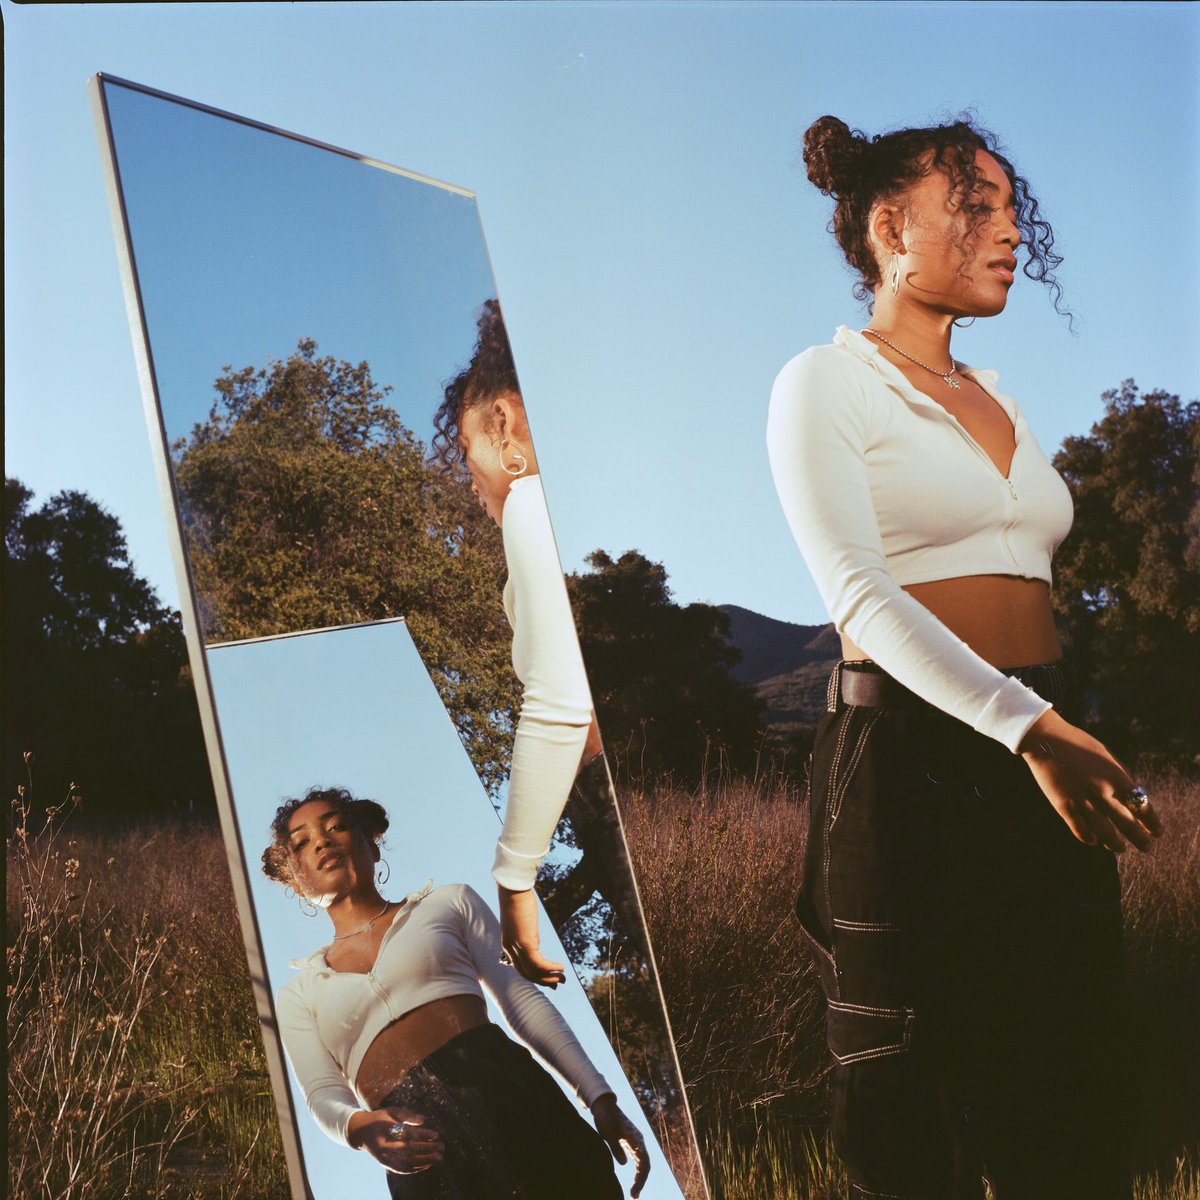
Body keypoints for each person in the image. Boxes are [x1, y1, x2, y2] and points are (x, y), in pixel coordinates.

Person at [765, 115, 1162, 1200]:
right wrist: (1029, 730)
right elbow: (858, 593)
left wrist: (1050, 723)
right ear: (892, 227)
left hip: (1043, 741)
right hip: (908, 759)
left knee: (1072, 1089)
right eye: (976, 205)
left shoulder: (1002, 401)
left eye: (1011, 209)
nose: (1012, 231)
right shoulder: (825, 382)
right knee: (912, 1106)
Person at [263, 785, 649, 1199]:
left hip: (516, 1101)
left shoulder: (450, 904)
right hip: (424, 1154)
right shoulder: (299, 994)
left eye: (336, 826)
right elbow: (322, 1093)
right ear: (296, 881)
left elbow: (522, 1001)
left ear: (371, 845)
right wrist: (360, 1128)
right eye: (301, 843)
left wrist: (599, 1097)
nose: (321, 841)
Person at [432, 300, 603, 987]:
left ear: (503, 422)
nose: (468, 475)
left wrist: (515, 884)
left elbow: (560, 703)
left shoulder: (533, 502)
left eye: (464, 448)